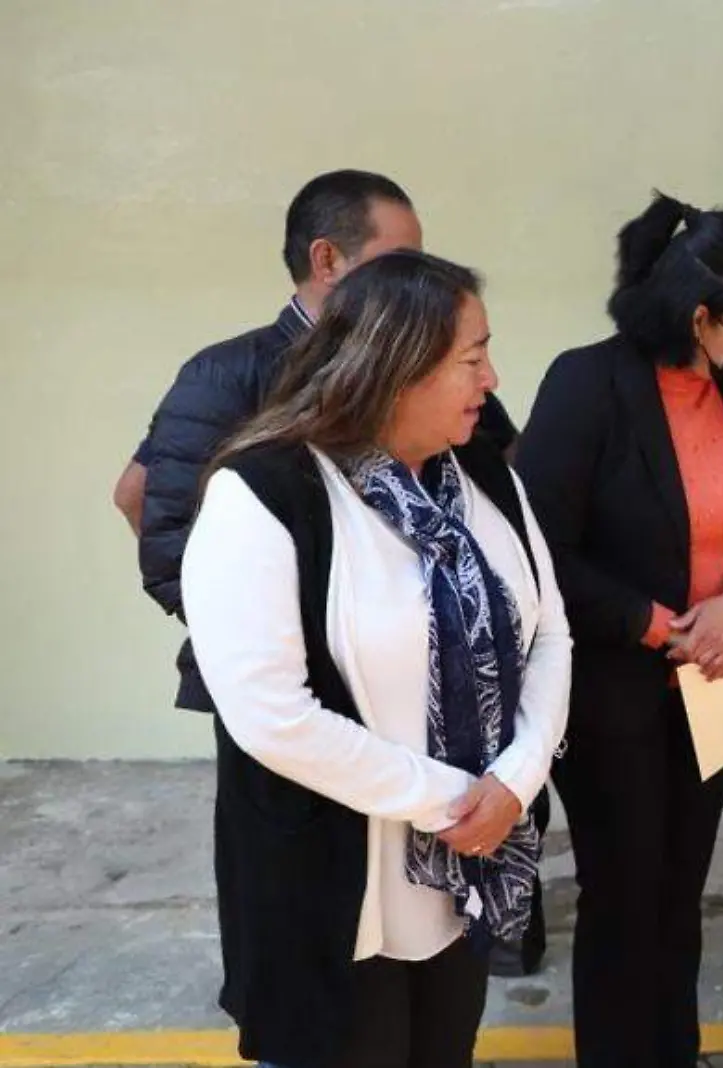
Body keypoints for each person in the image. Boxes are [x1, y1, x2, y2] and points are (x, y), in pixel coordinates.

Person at [122, 168, 544, 977]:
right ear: (327, 260)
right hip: (302, 714)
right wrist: (289, 636)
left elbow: (510, 533)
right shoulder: (229, 378)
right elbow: (163, 523)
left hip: (444, 740)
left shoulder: (453, 399)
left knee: (433, 977)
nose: (419, 279)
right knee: (324, 927)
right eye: (400, 259)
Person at [179, 250, 571, 1068]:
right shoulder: (265, 494)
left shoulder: (488, 481)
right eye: (471, 358)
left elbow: (549, 637)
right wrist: (459, 799)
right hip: (334, 886)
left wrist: (517, 780)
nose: (491, 378)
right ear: (397, 365)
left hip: (465, 870)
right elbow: (271, 716)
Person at [512, 192, 723, 1068]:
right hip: (613, 695)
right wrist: (652, 623)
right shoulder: (587, 384)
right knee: (623, 900)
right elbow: (536, 546)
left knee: (679, 895)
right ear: (702, 316)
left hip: (713, 687)